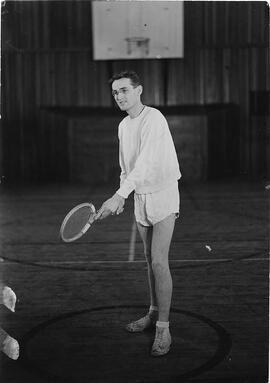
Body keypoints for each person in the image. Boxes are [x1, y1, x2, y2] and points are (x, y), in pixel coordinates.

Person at [95, 70, 181, 356]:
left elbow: (144, 164)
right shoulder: (123, 126)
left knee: (159, 262)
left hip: (163, 194)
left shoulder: (154, 118)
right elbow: (127, 168)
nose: (119, 96)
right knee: (148, 260)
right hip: (140, 197)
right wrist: (120, 197)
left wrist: (120, 195)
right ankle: (153, 313)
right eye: (115, 92)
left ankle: (164, 330)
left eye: (124, 90)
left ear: (139, 90)